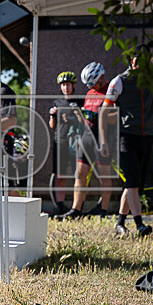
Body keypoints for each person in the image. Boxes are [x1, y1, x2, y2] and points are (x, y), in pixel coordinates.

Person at [104, 48, 153, 237]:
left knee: (135, 184)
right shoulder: (119, 81)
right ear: (131, 60)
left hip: (147, 136)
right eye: (138, 59)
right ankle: (140, 225)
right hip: (126, 137)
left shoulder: (152, 80)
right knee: (133, 182)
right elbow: (105, 110)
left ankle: (120, 223)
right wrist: (103, 139)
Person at [56, 62, 114, 219]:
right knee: (80, 174)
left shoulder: (111, 91)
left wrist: (101, 116)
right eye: (88, 84)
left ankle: (103, 211)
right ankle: (76, 210)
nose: (91, 86)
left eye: (92, 83)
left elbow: (118, 117)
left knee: (104, 176)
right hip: (87, 137)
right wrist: (80, 116)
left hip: (104, 137)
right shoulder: (89, 93)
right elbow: (84, 121)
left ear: (101, 78)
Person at [48, 71, 86, 216]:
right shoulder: (57, 103)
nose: (66, 88)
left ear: (74, 85)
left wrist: (77, 113)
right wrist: (52, 115)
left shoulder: (80, 101)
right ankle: (60, 206)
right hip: (60, 141)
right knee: (60, 175)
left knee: (79, 175)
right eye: (63, 85)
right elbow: (53, 126)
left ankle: (77, 207)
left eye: (68, 85)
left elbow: (84, 123)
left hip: (76, 143)